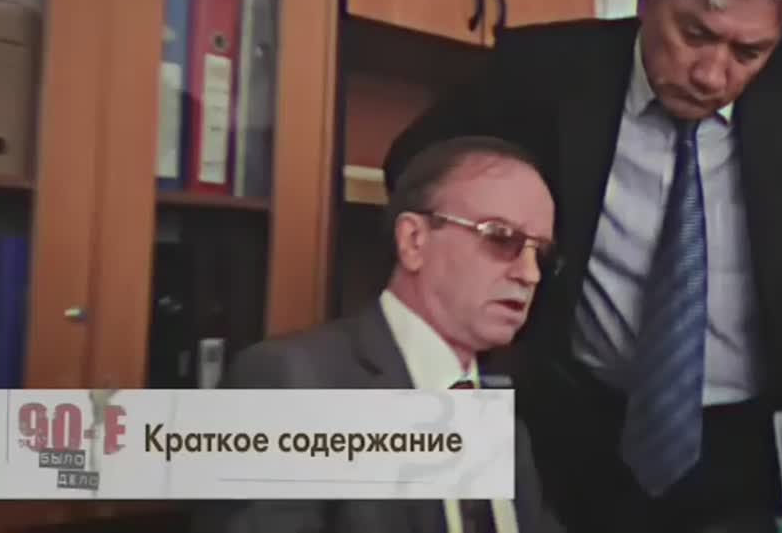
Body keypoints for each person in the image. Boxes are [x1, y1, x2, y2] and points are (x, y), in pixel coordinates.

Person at [384, 0, 782, 533]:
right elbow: (414, 166)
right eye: (694, 33)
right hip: (577, 429)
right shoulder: (546, 72)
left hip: (757, 442)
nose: (712, 74)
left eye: (748, 52)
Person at [192, 136, 567, 533]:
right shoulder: (289, 383)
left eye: (540, 253)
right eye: (501, 238)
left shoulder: (504, 418)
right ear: (413, 241)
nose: (530, 274)